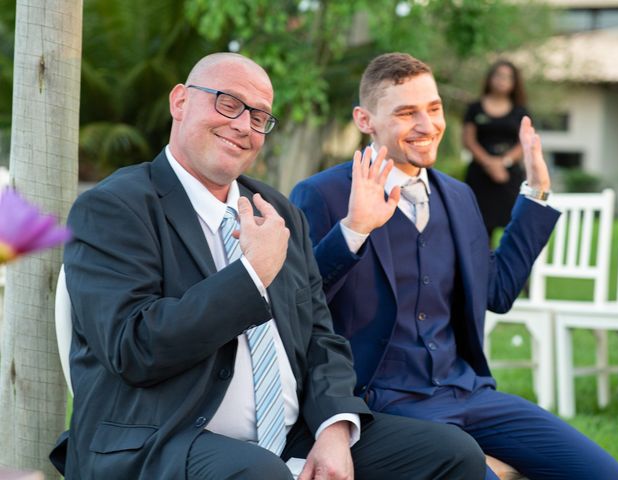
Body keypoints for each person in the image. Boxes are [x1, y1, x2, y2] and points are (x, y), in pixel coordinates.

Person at [50, 52, 486, 480]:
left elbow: (320, 335)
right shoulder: (114, 207)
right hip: (164, 436)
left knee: (453, 454)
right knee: (260, 472)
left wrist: (335, 426)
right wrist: (251, 276)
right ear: (180, 101)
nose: (244, 125)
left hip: (291, 433)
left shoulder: (276, 211)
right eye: (228, 102)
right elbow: (134, 347)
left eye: (259, 117)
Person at [290, 52, 618, 480]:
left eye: (434, 109)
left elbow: (498, 291)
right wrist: (353, 230)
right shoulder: (322, 194)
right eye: (406, 113)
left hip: (469, 393)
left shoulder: (459, 197)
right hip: (383, 402)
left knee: (604, 475)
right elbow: (298, 304)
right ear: (365, 120)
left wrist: (537, 194)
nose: (427, 126)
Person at [462, 60, 529, 242]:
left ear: (515, 82)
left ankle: (511, 269)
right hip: (480, 175)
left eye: (508, 77)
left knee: (514, 226)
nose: (502, 80)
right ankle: (480, 269)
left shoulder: (520, 111)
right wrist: (489, 163)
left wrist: (503, 162)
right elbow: (468, 140)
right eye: (498, 75)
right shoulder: (475, 108)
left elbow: (524, 143)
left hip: (509, 176)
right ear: (490, 78)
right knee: (479, 229)